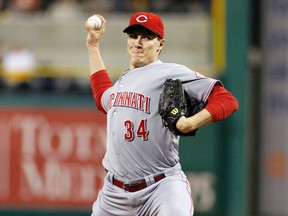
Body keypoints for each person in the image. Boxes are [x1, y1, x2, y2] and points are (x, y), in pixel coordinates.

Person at [85, 12, 238, 216]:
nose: (138, 42)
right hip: (114, 194)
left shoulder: (170, 72)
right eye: (133, 36)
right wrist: (93, 47)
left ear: (160, 44)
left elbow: (227, 100)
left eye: (146, 37)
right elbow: (102, 97)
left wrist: (190, 122)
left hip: (161, 187)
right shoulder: (123, 80)